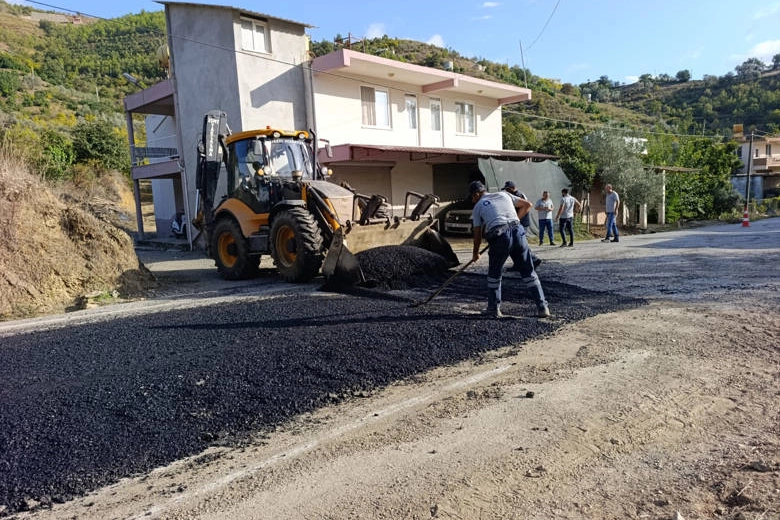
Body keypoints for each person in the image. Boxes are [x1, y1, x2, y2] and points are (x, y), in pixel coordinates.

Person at [469, 180, 550, 319]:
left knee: (495, 273)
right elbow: (527, 205)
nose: (472, 199)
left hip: (499, 236)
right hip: (518, 231)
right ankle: (543, 307)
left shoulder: (478, 206)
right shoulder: (504, 194)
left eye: (472, 196)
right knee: (528, 272)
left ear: (476, 194)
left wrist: (475, 253)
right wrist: (515, 221)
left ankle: (493, 309)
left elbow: (477, 234)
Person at [502, 181, 541, 270]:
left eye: (508, 189)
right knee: (515, 245)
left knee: (519, 244)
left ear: (512, 188)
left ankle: (533, 259)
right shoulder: (518, 194)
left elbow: (524, 208)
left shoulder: (518, 195)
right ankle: (518, 264)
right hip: (519, 222)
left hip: (521, 222)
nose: (507, 191)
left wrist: (516, 220)